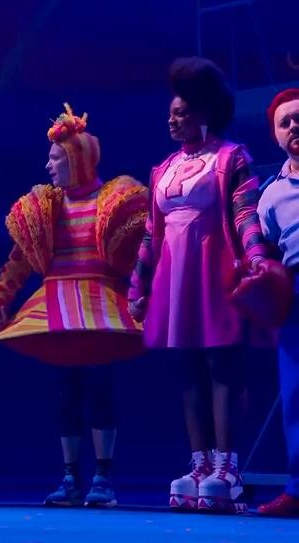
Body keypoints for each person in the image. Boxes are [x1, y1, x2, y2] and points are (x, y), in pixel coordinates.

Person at [0, 104, 147, 507]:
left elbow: (143, 253)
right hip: (58, 306)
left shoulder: (114, 201)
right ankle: (71, 477)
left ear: (77, 159)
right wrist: (0, 297)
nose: (48, 165)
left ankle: (103, 478)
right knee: (68, 392)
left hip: (99, 304)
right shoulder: (46, 208)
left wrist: (144, 294)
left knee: (101, 387)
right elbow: (19, 260)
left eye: (55, 158)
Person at [128, 57, 272, 513]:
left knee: (222, 364)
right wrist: (138, 284)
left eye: (182, 113)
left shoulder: (231, 158)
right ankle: (199, 463)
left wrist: (256, 259)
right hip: (175, 274)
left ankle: (227, 467)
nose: (172, 120)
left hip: (215, 268)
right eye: (171, 113)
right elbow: (151, 232)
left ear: (204, 112)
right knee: (187, 367)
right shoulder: (164, 168)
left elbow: (245, 214)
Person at [256, 88, 299, 517]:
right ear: (276, 135)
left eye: (298, 117)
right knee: (296, 393)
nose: (294, 126)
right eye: (284, 122)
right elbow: (266, 247)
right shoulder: (270, 195)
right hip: (296, 293)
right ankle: (298, 489)